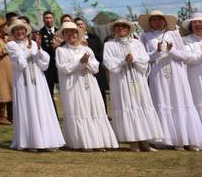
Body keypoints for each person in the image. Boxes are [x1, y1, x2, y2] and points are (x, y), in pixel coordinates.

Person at [139, 9, 202, 150]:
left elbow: (184, 55)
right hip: (157, 72)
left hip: (176, 71)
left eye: (159, 19)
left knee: (179, 100)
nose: (157, 22)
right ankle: (167, 139)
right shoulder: (145, 36)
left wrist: (171, 51)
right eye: (153, 20)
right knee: (162, 100)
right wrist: (157, 51)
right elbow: (144, 57)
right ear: (150, 22)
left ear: (165, 21)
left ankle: (185, 138)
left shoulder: (174, 34)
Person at [55, 20, 118, 150]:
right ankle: (83, 142)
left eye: (73, 32)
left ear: (78, 34)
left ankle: (99, 141)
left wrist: (86, 62)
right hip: (74, 86)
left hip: (90, 83)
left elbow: (96, 68)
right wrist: (80, 63)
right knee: (79, 110)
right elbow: (63, 69)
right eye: (67, 32)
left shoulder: (87, 49)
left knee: (93, 109)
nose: (71, 35)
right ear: (64, 35)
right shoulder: (61, 51)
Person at [103, 18, 163, 152]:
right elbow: (109, 63)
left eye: (124, 26)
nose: (121, 28)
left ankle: (144, 141)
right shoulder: (109, 45)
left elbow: (145, 60)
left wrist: (134, 59)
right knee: (127, 105)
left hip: (137, 79)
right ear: (114, 30)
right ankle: (133, 141)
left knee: (141, 105)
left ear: (129, 28)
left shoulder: (137, 43)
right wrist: (124, 61)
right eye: (118, 26)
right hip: (121, 80)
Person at [6, 18, 64, 152]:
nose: (20, 32)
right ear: (13, 32)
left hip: (38, 81)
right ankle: (30, 141)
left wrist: (38, 50)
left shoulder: (33, 43)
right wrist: (29, 51)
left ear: (26, 31)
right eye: (16, 30)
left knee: (41, 106)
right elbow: (20, 63)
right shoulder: (11, 45)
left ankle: (47, 140)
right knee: (27, 106)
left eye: (22, 29)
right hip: (22, 82)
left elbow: (44, 64)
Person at [76, 17, 108, 98]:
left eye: (81, 24)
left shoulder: (94, 37)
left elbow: (101, 51)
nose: (80, 26)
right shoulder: (73, 41)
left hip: (96, 69)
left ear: (85, 25)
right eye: (77, 24)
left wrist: (92, 61)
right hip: (81, 72)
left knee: (100, 94)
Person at [39, 11, 60, 97]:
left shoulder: (60, 32)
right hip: (48, 67)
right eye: (46, 18)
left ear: (53, 19)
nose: (48, 20)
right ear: (43, 20)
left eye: (50, 18)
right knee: (49, 92)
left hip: (60, 65)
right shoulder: (40, 33)